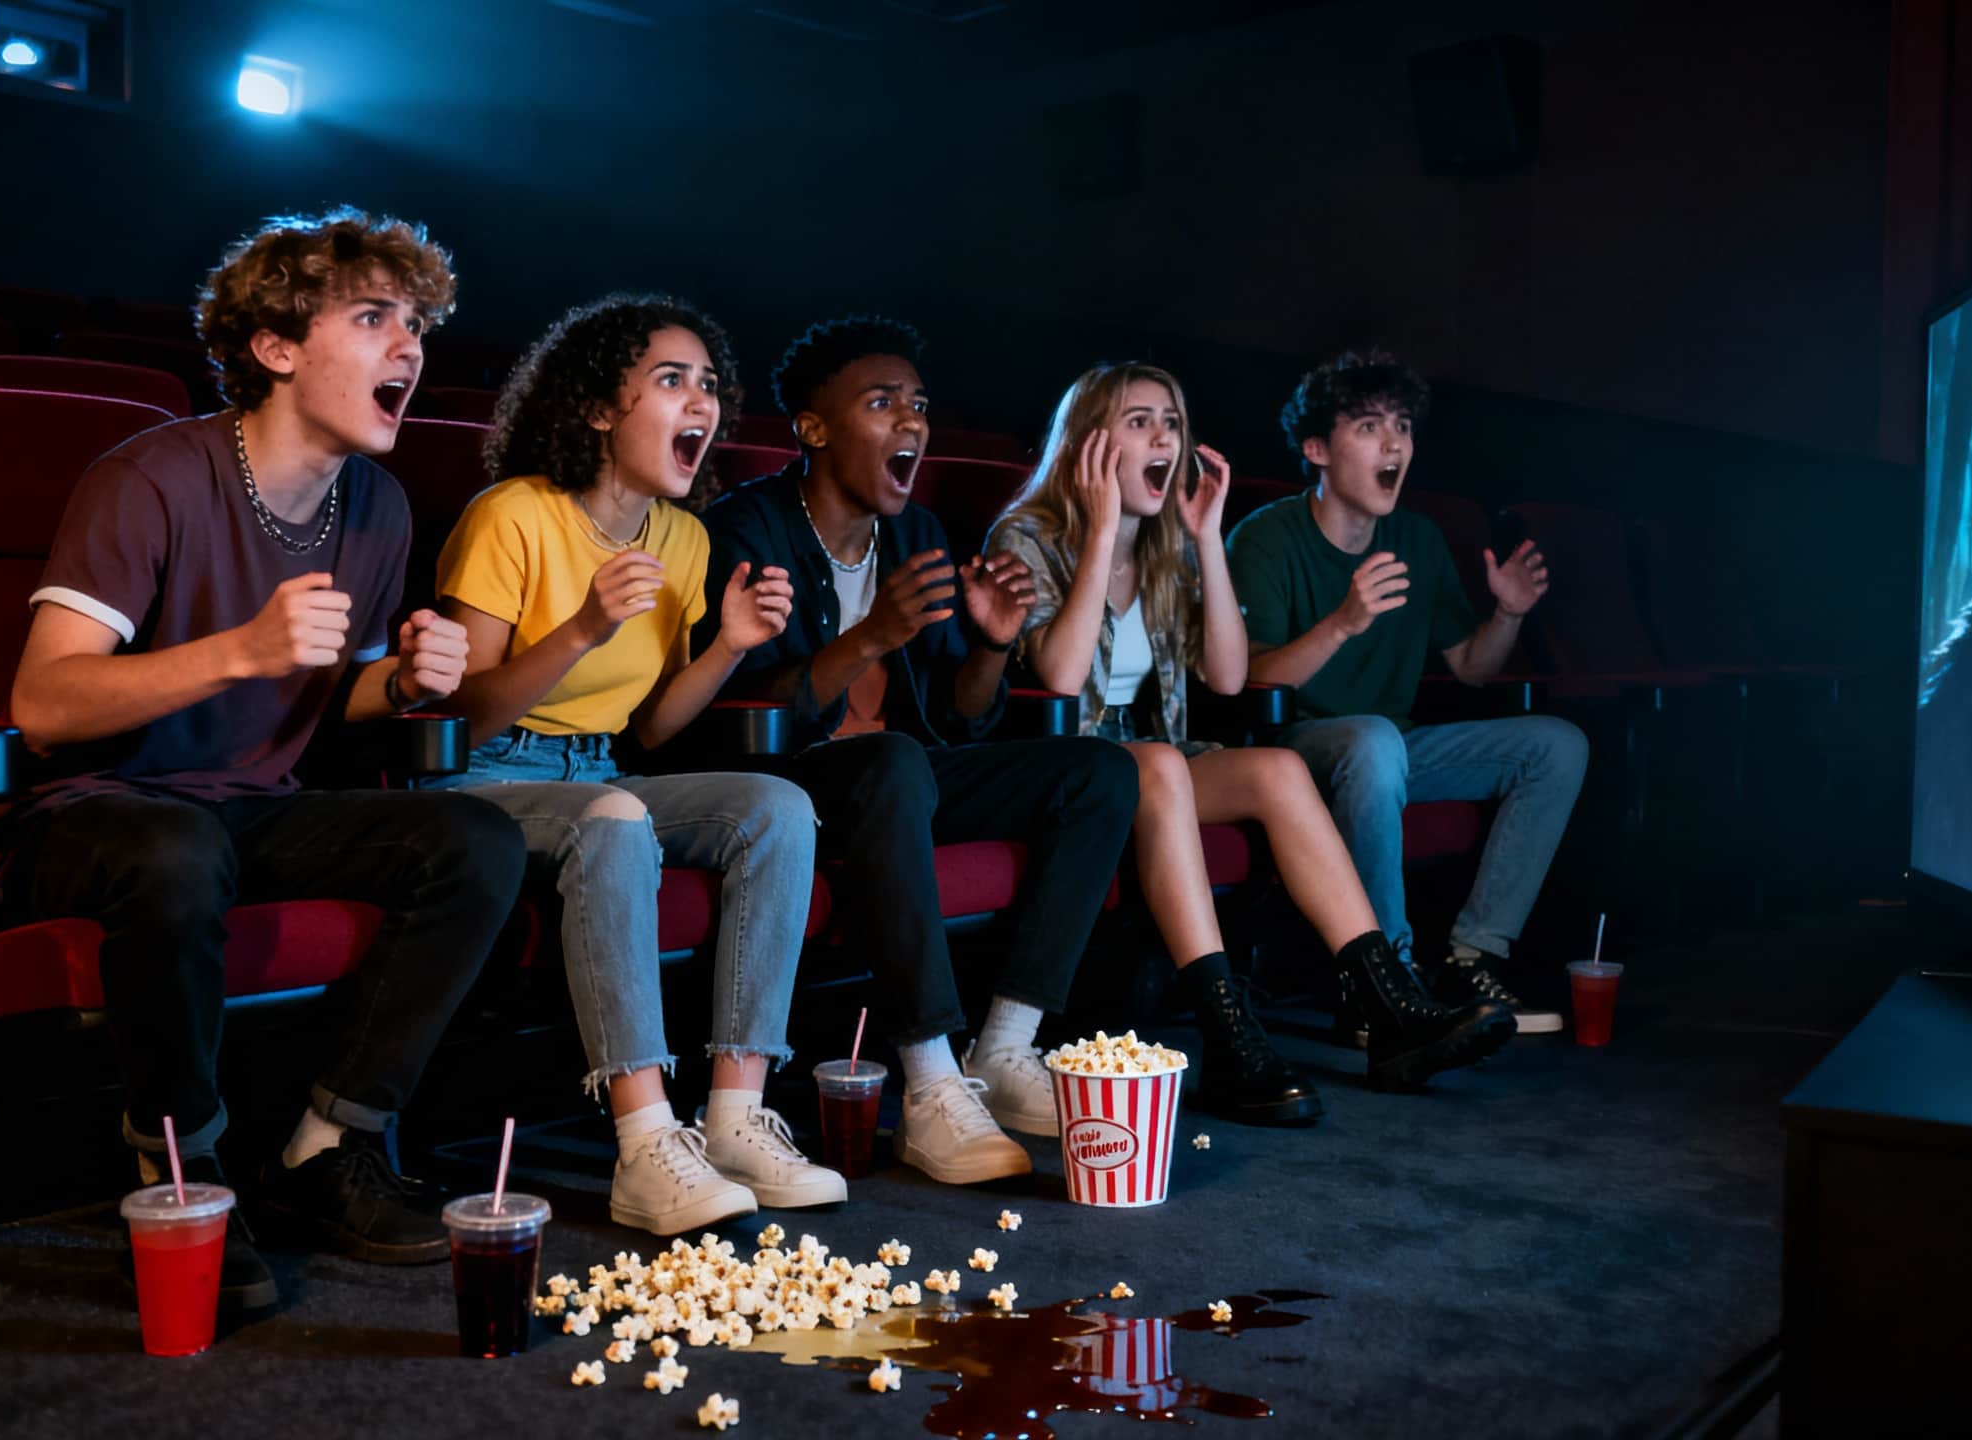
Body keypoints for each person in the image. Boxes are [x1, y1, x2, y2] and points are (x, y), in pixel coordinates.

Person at [0, 209, 526, 1311]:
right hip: (96, 810)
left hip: (253, 805)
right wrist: (240, 651)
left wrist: (411, 679)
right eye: (373, 317)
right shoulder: (148, 477)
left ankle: (331, 1143)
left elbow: (338, 694)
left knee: (475, 836)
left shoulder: (376, 503)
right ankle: (181, 1171)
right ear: (277, 348)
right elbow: (44, 705)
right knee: (176, 850)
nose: (410, 347)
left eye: (417, 323)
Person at [987, 362, 1512, 1104]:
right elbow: (1064, 677)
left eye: (1171, 421)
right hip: (1070, 768)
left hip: (1157, 761)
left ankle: (1389, 1008)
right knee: (1162, 769)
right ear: (1090, 444)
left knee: (1277, 770)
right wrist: (1104, 528)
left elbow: (1229, 677)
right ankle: (1230, 1037)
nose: (1164, 436)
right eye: (1139, 421)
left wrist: (1204, 539)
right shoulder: (1029, 535)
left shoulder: (1169, 545)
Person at [424, 294, 837, 1235]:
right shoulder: (513, 514)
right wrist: (583, 627)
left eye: (708, 386)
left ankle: (733, 1116)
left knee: (774, 803)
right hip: (479, 775)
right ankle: (646, 1142)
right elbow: (459, 711)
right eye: (670, 380)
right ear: (596, 408)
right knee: (612, 816)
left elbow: (650, 731)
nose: (702, 403)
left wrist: (727, 645)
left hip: (599, 768)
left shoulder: (684, 539)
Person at [694, 316, 1138, 1185]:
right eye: (882, 402)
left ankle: (1005, 1051)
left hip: (902, 780)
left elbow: (961, 721)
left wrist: (990, 646)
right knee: (892, 760)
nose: (912, 422)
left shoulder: (919, 535)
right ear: (814, 428)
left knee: (1098, 770)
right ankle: (932, 1084)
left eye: (920, 405)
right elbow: (742, 717)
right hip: (787, 788)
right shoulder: (744, 529)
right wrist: (867, 636)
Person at [1229, 349, 1588, 1032]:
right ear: (1317, 449)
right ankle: (1384, 980)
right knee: (1371, 739)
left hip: (1388, 753)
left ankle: (1471, 955)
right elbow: (1253, 680)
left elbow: (1472, 668)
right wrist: (1343, 623)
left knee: (1556, 745)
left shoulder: (1417, 539)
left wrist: (1507, 615)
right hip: (1292, 757)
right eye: (1368, 427)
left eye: (1402, 427)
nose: (1394, 443)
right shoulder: (1267, 537)